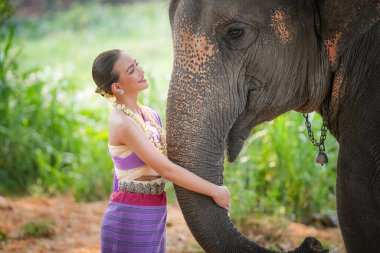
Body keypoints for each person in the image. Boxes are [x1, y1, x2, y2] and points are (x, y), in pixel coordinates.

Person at [92, 49, 231, 253]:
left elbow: (171, 160)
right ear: (117, 87)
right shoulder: (122, 123)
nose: (140, 70)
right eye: (131, 70)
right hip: (130, 217)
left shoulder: (149, 115)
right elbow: (167, 170)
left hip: (154, 211)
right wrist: (215, 190)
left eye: (137, 63)